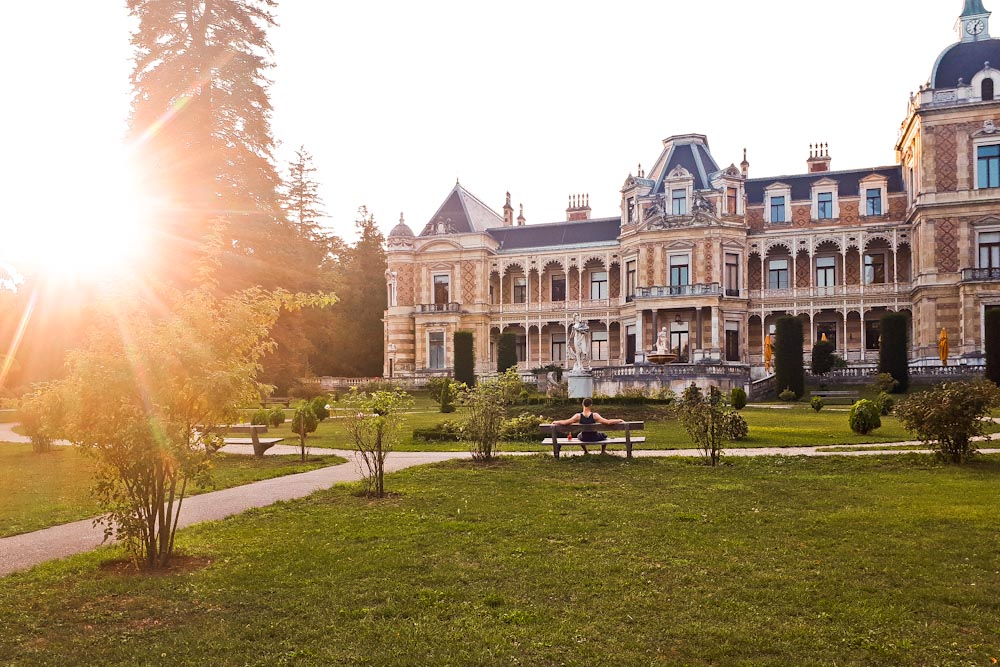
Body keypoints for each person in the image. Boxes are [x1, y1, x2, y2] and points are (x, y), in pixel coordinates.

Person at [553, 398, 625, 455]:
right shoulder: (595, 415)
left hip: (584, 438)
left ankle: (586, 451)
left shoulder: (578, 416)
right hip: (595, 437)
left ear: (582, 404)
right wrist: (619, 420)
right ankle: (603, 451)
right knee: (604, 435)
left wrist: (556, 422)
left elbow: (565, 422)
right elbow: (608, 422)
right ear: (591, 405)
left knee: (579, 435)